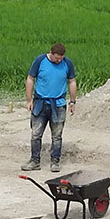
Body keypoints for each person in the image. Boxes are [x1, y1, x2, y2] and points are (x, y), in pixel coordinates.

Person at [22, 43, 76, 173]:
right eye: (57, 58)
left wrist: (73, 101)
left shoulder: (67, 63)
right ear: (50, 53)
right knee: (36, 134)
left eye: (61, 58)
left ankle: (55, 162)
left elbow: (72, 81)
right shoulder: (40, 61)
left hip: (58, 105)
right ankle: (35, 161)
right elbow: (30, 79)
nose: (59, 60)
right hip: (40, 104)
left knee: (57, 136)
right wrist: (29, 100)